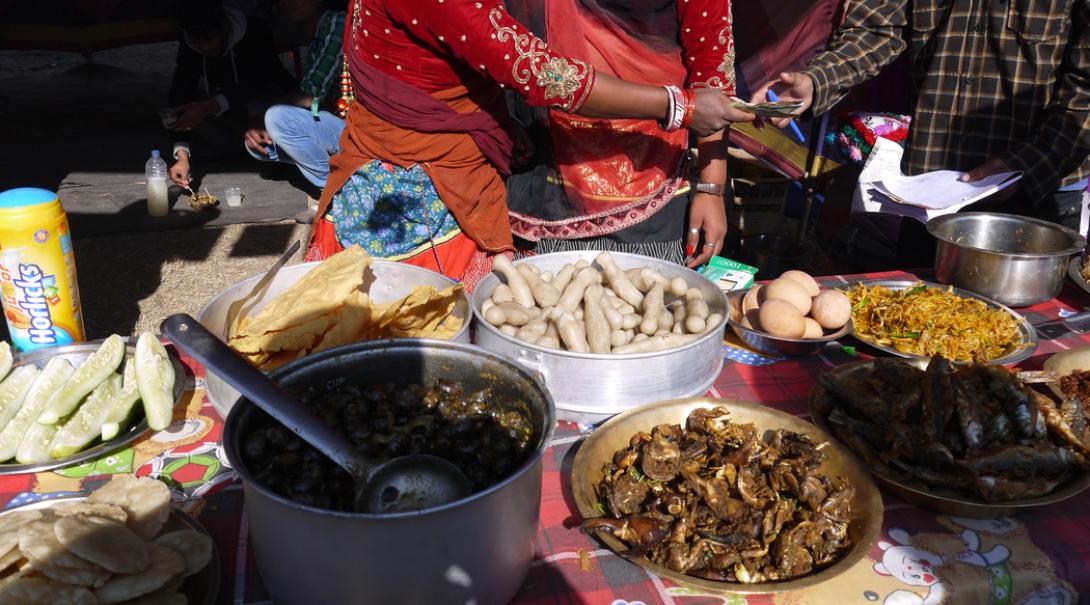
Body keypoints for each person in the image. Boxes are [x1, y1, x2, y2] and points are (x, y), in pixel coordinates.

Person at [305, 0, 754, 284]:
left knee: (645, 324)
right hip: (513, 183)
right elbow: (539, 72)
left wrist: (712, 185)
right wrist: (683, 107)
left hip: (648, 182)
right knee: (522, 330)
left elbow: (713, 68)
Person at [750, 0, 1090, 233]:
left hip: (1037, 190)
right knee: (919, 321)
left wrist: (1026, 163)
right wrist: (817, 80)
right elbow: (876, 27)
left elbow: (1085, 87)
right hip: (934, 186)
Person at [504, 0, 738, 269]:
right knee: (536, 303)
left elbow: (712, 76)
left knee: (645, 303)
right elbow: (494, 40)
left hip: (647, 184)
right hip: (542, 173)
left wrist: (712, 188)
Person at [167, 0, 298, 189]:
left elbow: (258, 80)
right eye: (197, 42)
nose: (203, 47)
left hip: (263, 104)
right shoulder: (190, 44)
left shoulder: (254, 30)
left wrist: (209, 106)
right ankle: (239, 146)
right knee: (189, 126)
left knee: (261, 106)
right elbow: (180, 93)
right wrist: (181, 155)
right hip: (227, 111)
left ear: (225, 27)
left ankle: (267, 153)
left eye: (209, 40)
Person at [244, 0, 347, 223]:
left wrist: (263, 117)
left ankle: (336, 194)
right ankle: (340, 183)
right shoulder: (316, 34)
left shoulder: (337, 23)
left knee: (276, 118)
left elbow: (311, 93)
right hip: (338, 126)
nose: (286, 3)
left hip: (360, 130)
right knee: (257, 145)